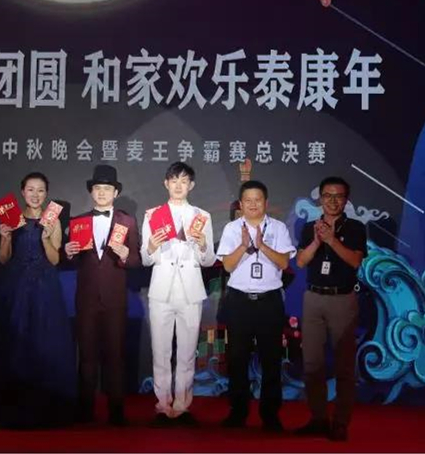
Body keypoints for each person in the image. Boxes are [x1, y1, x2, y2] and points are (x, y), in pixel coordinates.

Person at [0, 172, 77, 429]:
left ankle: (46, 402)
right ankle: (9, 399)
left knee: (44, 341)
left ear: (46, 194)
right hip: (15, 286)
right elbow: (3, 259)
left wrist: (46, 238)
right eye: (31, 189)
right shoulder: (12, 219)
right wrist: (4, 237)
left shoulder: (53, 220)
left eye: (41, 190)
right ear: (22, 192)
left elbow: (55, 260)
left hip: (45, 287)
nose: (36, 195)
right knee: (12, 342)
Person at [215, 180, 295, 431]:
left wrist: (262, 246)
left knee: (271, 359)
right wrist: (244, 245)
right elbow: (228, 266)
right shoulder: (231, 229)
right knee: (237, 359)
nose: (252, 204)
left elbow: (284, 263)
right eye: (247, 200)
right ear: (241, 204)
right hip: (239, 301)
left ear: (265, 203)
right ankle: (238, 412)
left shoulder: (278, 228)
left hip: (269, 301)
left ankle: (270, 414)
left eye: (257, 200)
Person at [64, 165, 141, 426]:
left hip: (115, 300)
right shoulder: (78, 221)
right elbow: (71, 259)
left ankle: (116, 412)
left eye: (107, 189)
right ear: (91, 192)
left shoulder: (127, 221)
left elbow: (136, 260)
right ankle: (84, 411)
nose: (102, 193)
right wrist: (68, 253)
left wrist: (125, 255)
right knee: (86, 356)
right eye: (97, 188)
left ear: (115, 192)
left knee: (115, 357)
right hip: (86, 299)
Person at [141, 162, 215, 426]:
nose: (178, 185)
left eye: (184, 181)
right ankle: (163, 405)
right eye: (174, 180)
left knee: (186, 353)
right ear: (166, 183)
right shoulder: (153, 215)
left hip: (190, 292)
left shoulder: (202, 216)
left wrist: (203, 244)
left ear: (191, 185)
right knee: (160, 352)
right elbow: (145, 259)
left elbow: (209, 260)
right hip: (161, 291)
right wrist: (151, 246)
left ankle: (182, 406)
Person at [295, 177, 367, 442]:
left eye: (339, 196)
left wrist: (332, 239)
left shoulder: (356, 227)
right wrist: (317, 240)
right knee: (312, 364)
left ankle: (340, 422)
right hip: (313, 298)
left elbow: (355, 261)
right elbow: (301, 262)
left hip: (342, 299)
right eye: (328, 195)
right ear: (320, 198)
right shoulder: (309, 227)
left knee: (344, 365)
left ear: (346, 200)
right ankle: (318, 418)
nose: (333, 201)